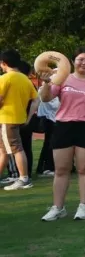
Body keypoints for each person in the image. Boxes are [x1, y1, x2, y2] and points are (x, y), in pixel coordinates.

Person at [38, 50, 85, 221]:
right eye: (80, 59)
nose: (84, 63)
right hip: (64, 126)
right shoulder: (63, 79)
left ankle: (83, 206)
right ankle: (58, 208)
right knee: (61, 170)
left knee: (84, 168)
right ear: (73, 61)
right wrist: (46, 83)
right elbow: (46, 98)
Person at [0, 50, 38, 191]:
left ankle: (23, 179)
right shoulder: (25, 79)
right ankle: (23, 178)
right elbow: (36, 100)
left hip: (7, 118)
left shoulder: (5, 78)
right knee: (4, 150)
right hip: (17, 118)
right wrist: (28, 117)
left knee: (16, 149)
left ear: (4, 63)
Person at [36, 89, 59, 177]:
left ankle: (45, 167)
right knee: (50, 144)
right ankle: (46, 167)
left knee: (50, 144)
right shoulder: (45, 90)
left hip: (51, 119)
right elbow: (55, 105)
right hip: (50, 119)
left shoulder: (44, 89)